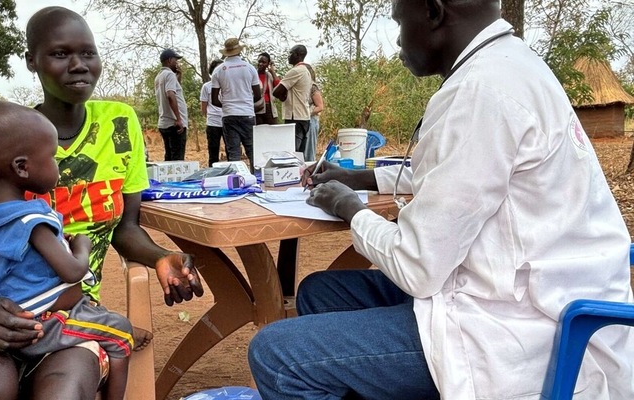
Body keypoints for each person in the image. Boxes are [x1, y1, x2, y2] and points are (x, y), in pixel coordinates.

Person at [248, 0, 634, 399]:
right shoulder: (511, 66)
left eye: (400, 22)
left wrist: (351, 209)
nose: (398, 39)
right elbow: (461, 173)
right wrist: (357, 176)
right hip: (518, 295)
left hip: (519, 333)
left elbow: (418, 266)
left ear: (433, 13)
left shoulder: (480, 91)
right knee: (319, 292)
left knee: (277, 356)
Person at [0, 7, 204, 400]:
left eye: (88, 53)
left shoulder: (119, 124)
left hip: (70, 310)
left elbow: (125, 229)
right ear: (32, 60)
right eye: (61, 54)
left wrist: (162, 257)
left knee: (63, 392)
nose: (79, 65)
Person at [0, 101, 136, 400]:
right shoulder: (32, 220)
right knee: (122, 333)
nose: (57, 165)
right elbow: (72, 270)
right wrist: (81, 246)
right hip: (43, 321)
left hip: (7, 317)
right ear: (22, 167)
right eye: (52, 157)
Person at [211, 37, 261, 172]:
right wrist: (246, 102)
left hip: (229, 116)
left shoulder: (219, 70)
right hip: (247, 114)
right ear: (239, 51)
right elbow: (258, 95)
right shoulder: (249, 68)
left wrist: (228, 104)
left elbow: (214, 100)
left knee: (233, 153)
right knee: (252, 151)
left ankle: (237, 182)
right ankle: (255, 180)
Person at [272, 45, 312, 152]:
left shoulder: (295, 71)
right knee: (299, 153)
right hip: (304, 117)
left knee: (292, 152)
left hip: (295, 117)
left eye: (291, 53)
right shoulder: (306, 70)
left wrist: (283, 95)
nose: (288, 56)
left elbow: (276, 91)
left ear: (298, 55)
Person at [155, 48, 188, 161]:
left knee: (169, 158)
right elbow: (170, 95)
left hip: (165, 123)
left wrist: (179, 76)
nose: (177, 63)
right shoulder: (169, 75)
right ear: (169, 60)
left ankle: (167, 179)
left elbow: (174, 91)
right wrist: (179, 119)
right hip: (175, 125)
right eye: (175, 60)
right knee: (177, 161)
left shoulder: (159, 76)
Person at [200, 58, 226, 166]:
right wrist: (210, 116)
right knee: (213, 152)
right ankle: (213, 174)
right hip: (213, 123)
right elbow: (203, 106)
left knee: (231, 149)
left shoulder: (228, 84)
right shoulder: (206, 86)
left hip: (227, 121)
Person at [302, 65, 324, 162]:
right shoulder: (301, 86)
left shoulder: (313, 86)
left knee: (309, 150)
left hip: (311, 120)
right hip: (302, 120)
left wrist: (307, 112)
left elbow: (320, 106)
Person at [255, 52, 280, 125]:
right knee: (258, 132)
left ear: (268, 64)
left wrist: (272, 71)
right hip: (257, 108)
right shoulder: (253, 75)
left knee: (272, 131)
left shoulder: (270, 75)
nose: (260, 64)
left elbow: (278, 86)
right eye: (259, 61)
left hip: (269, 108)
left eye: (264, 62)